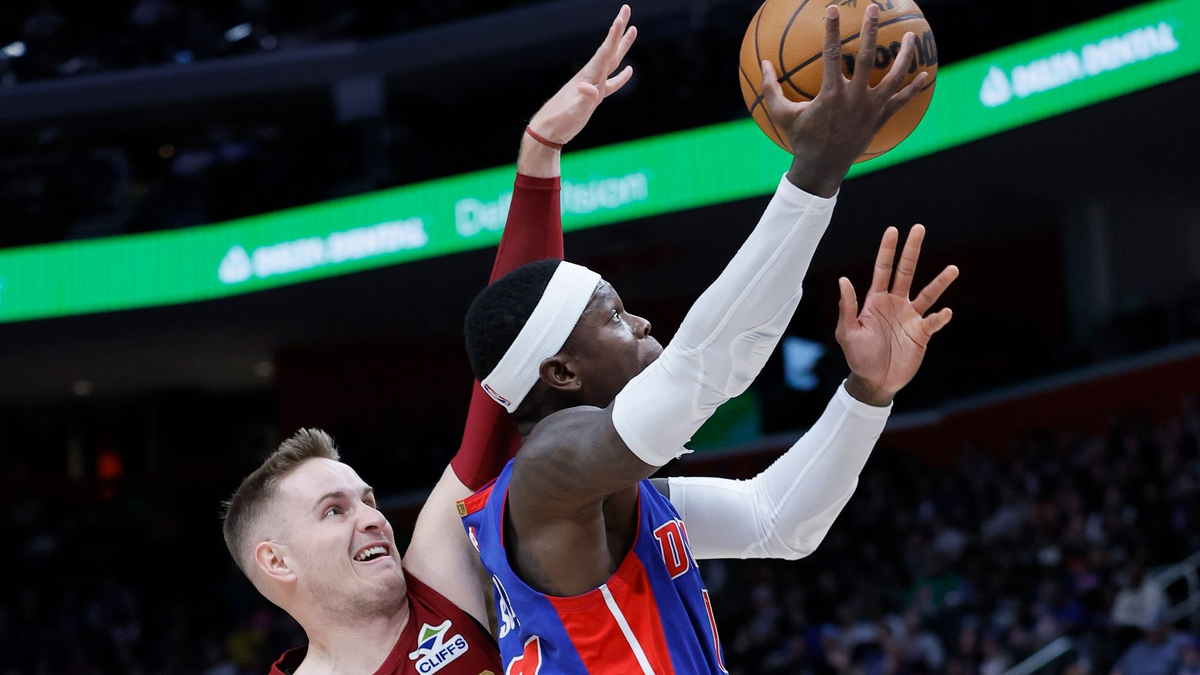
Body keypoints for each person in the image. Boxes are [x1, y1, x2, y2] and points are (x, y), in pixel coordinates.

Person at [458, 5, 957, 674]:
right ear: (562, 372)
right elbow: (701, 373)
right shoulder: (549, 472)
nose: (640, 324)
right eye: (613, 316)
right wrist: (815, 172)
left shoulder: (616, 489)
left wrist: (867, 392)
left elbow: (777, 522)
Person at [218, 9, 640, 674]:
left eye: (366, 498)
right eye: (334, 510)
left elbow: (499, 388)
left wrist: (537, 160)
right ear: (275, 559)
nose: (372, 517)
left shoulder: (437, 594)